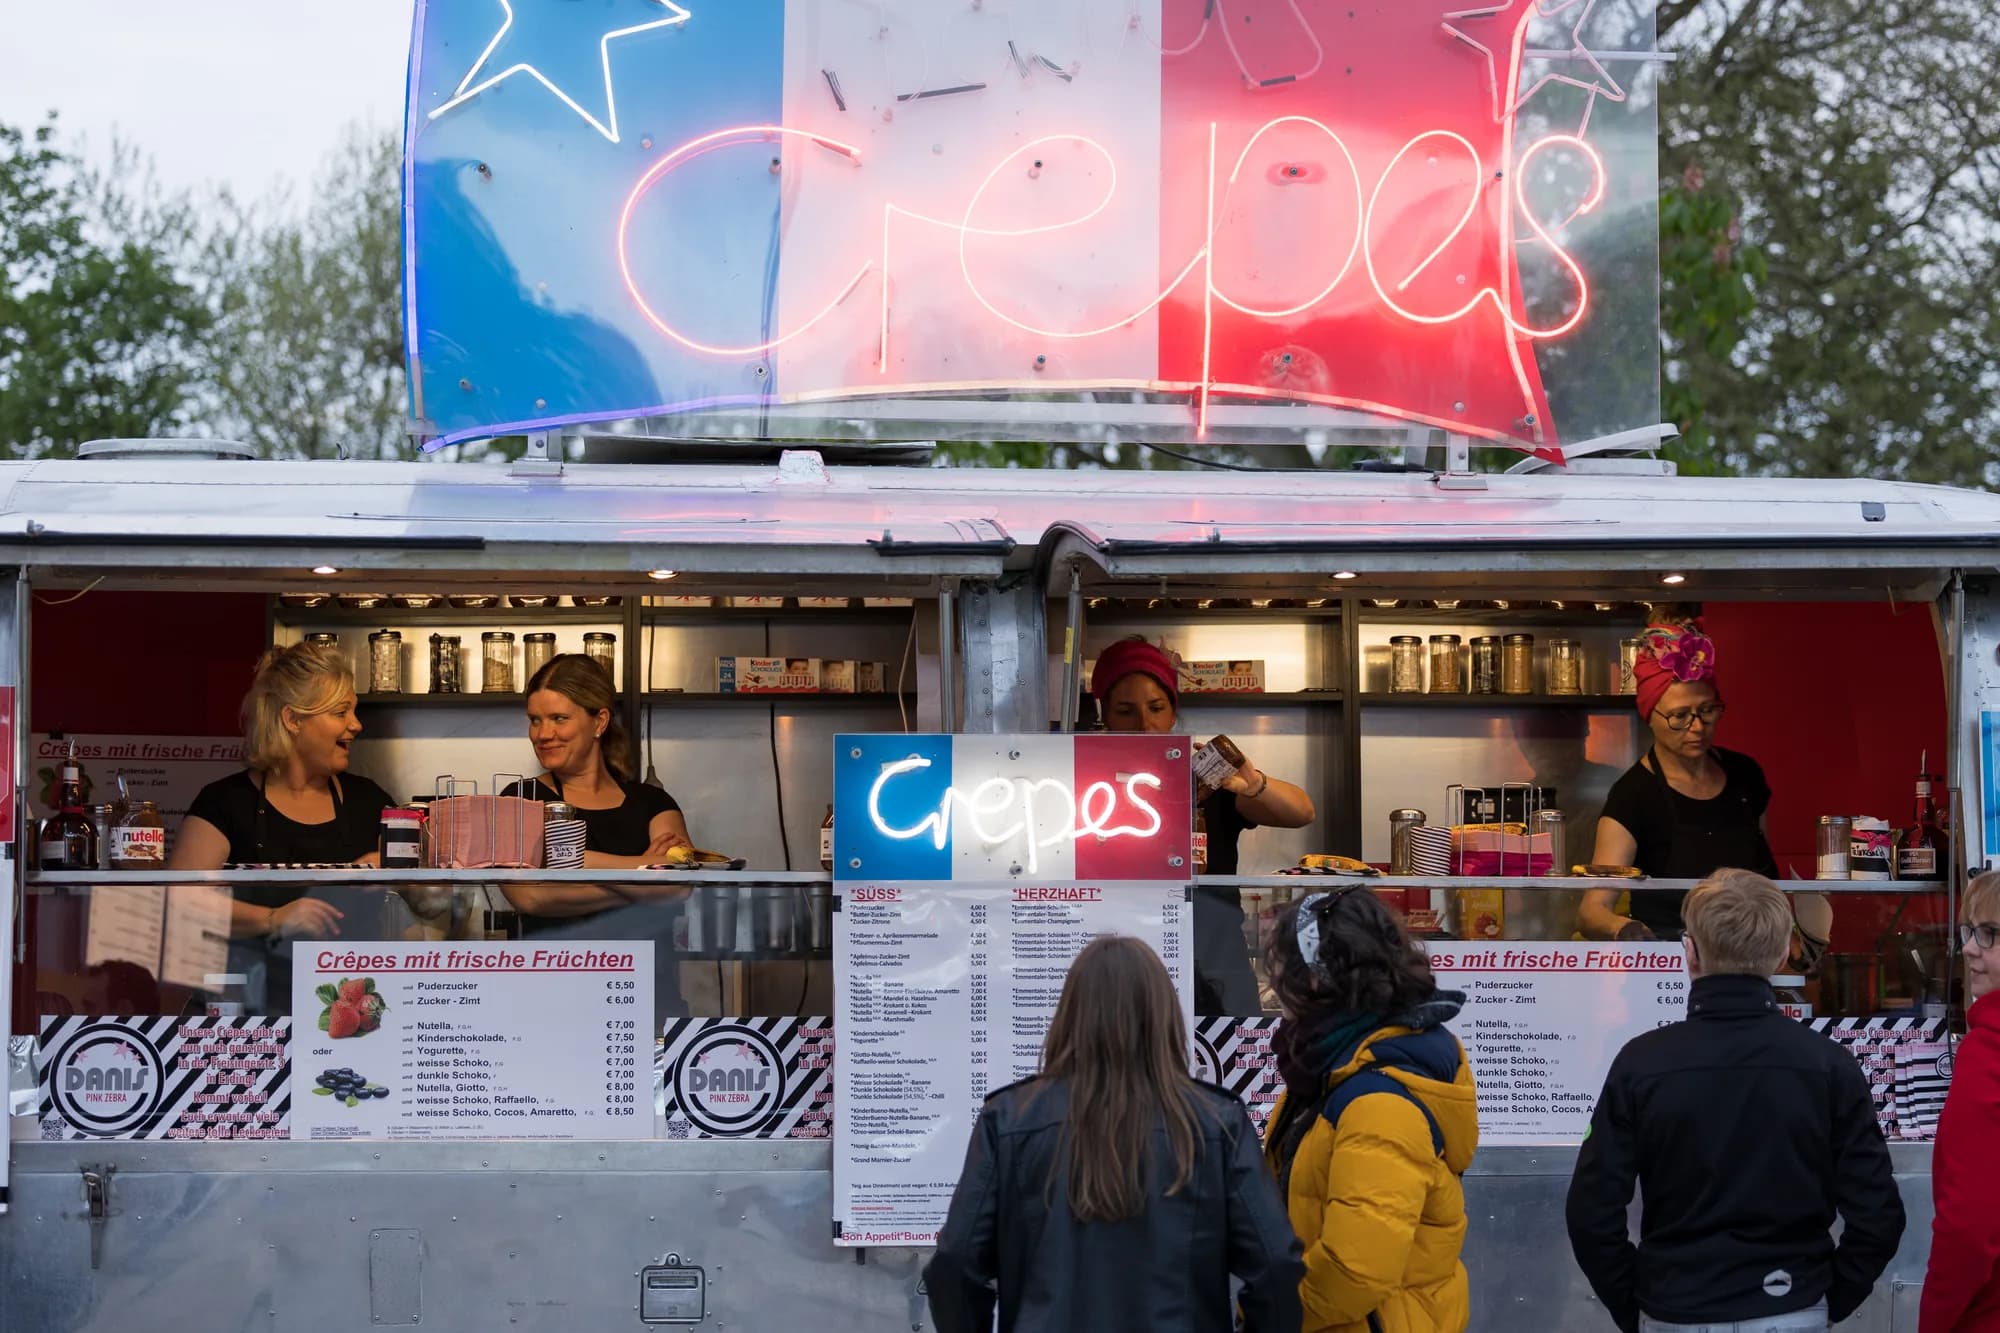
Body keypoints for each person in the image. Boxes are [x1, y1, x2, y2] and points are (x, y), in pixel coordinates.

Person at [1566, 869, 1904, 1333]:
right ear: (1783, 953)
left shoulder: (1641, 1064)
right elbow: (1878, 1214)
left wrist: (1638, 1305)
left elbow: (1591, 1212)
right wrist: (1829, 1298)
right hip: (1794, 1302)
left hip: (1674, 1308)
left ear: (1689, 952)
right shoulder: (1828, 1065)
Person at [925, 936, 1303, 1333]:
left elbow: (955, 1263)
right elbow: (1275, 1263)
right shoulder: (1215, 1122)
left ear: (1070, 1014)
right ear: (1164, 1016)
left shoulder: (1009, 1120)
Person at [1262, 888, 1479, 1333]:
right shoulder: (1330, 1067)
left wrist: (1270, 1312)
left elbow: (1355, 1271)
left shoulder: (1377, 1105)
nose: (1270, 983)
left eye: (1278, 967)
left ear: (1314, 979)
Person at [1092, 636, 1315, 1014]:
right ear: (1106, 717)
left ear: (1173, 713)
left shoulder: (1205, 781)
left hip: (1217, 967)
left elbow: (1302, 812)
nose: (1145, 725)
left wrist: (1253, 783)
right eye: (1126, 711)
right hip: (1125, 971)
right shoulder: (1091, 792)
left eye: (1156, 708)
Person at [171, 643, 398, 1005]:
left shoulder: (370, 802)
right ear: (293, 720)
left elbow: (428, 897)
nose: (356, 725)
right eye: (341, 712)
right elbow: (179, 905)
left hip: (345, 1011)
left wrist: (392, 869)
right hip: (247, 1012)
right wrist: (274, 918)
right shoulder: (225, 802)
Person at [498, 654, 694, 1018]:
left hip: (650, 998)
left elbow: (678, 887)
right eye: (535, 720)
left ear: (599, 721)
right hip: (553, 1004)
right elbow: (531, 897)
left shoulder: (653, 802)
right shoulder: (520, 799)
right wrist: (643, 874)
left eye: (559, 718)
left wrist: (574, 862)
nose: (543, 734)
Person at [1581, 620, 1777, 940]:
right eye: (1680, 716)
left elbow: (1766, 874)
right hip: (1672, 957)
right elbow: (1593, 910)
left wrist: (1790, 933)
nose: (1697, 727)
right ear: (1650, 716)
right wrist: (1626, 929)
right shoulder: (1632, 795)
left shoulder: (1745, 774)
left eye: (1707, 711)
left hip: (1750, 952)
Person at [1920, 871, 2000, 1332]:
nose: (1969, 948)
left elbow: (1969, 1226)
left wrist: (1934, 1321)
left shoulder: (1989, 1052)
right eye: (1969, 930)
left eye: (1989, 934)